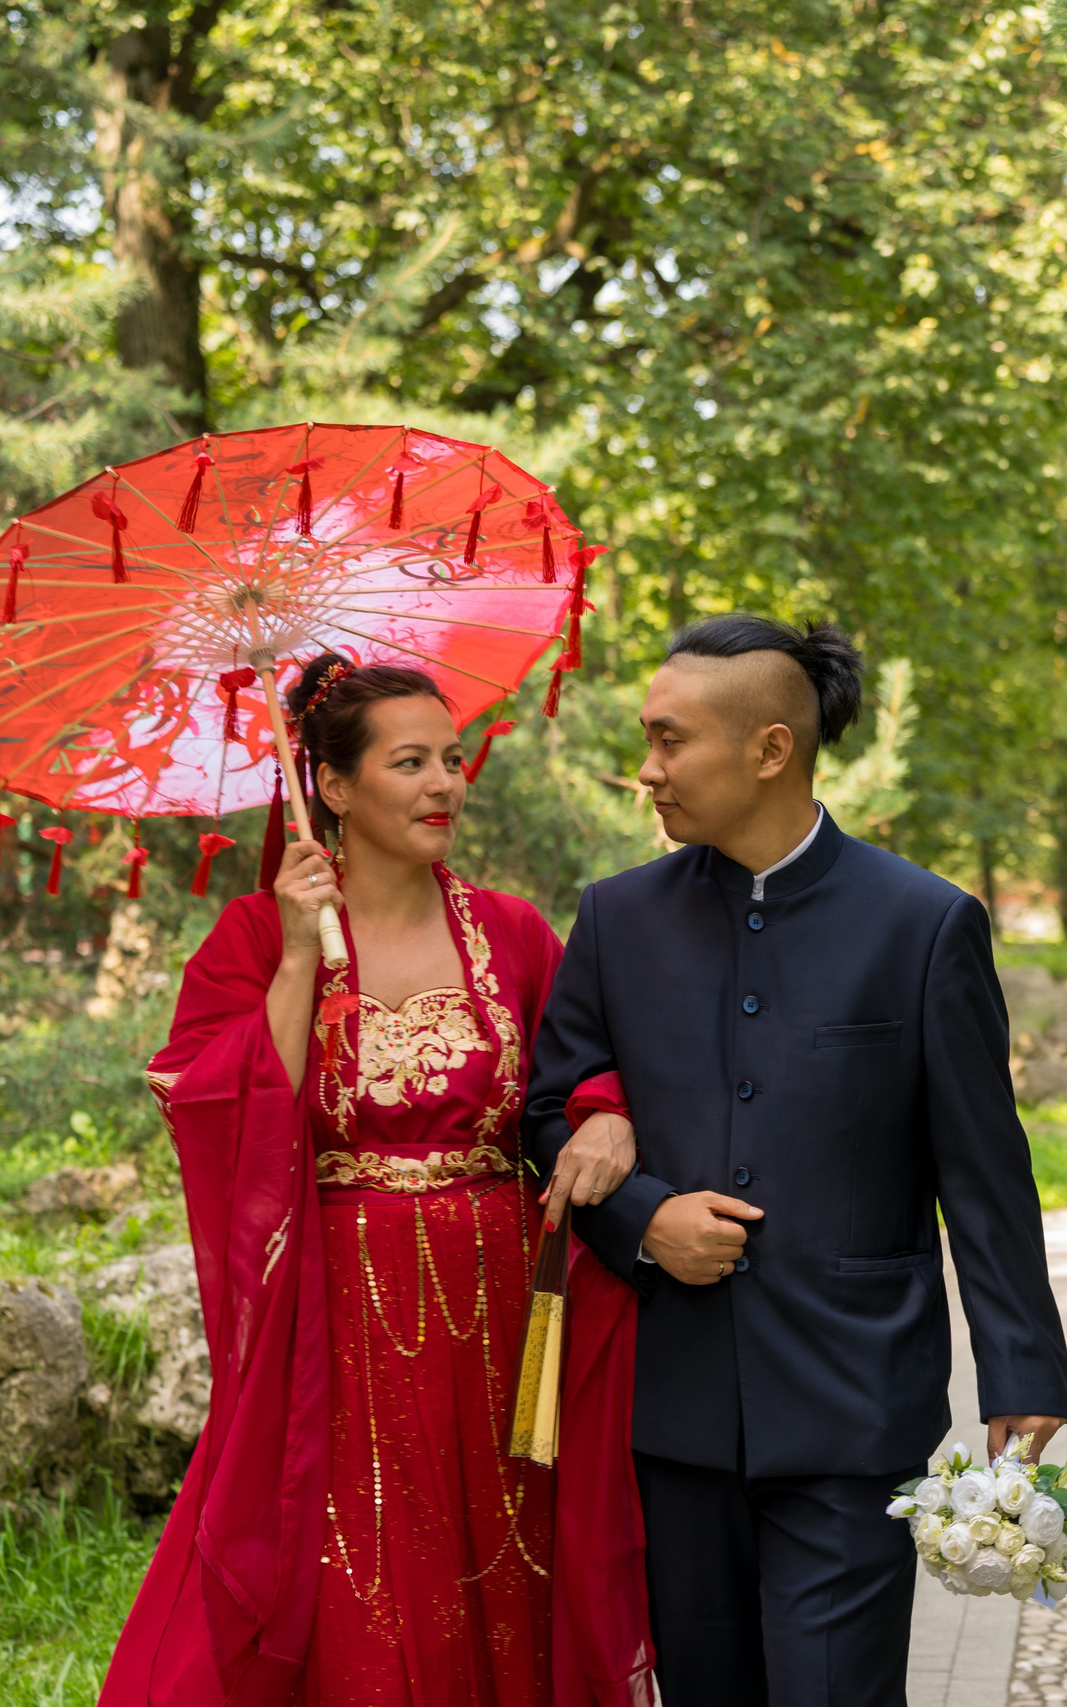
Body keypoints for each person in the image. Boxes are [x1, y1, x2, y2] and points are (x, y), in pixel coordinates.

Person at [525, 615, 1067, 1707]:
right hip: (674, 1406)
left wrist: (1021, 1369)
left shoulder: (923, 924)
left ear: (770, 748)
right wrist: (643, 1218)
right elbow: (545, 1113)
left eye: (671, 740)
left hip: (853, 1402)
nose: (647, 769)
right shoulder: (617, 919)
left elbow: (981, 1168)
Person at [99, 655, 656, 1707]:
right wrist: (297, 958)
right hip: (341, 1323)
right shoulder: (254, 937)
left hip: (506, 1307)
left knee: (517, 1565)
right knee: (362, 1572)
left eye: (453, 758)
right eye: (410, 763)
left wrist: (607, 1112)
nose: (445, 783)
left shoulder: (512, 932)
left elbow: (584, 1069)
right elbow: (218, 1106)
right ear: (334, 787)